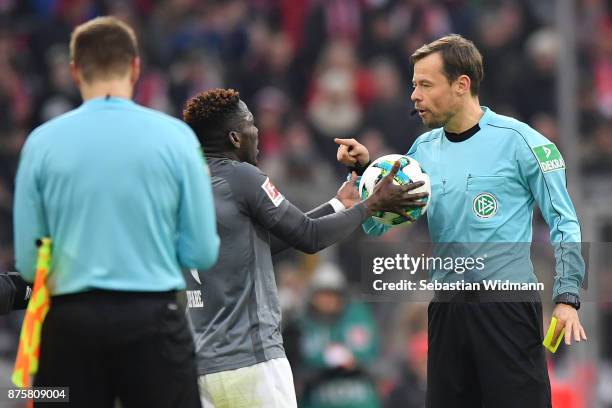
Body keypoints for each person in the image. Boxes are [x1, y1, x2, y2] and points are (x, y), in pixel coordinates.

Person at [336, 34, 587, 408]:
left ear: (461, 85)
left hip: (507, 309)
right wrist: (366, 175)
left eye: (425, 84)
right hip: (447, 311)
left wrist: (567, 297)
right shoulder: (421, 151)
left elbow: (564, 221)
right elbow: (380, 225)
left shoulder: (521, 142)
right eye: (413, 85)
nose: (414, 95)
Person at [13, 16, 219, 407]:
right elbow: (202, 252)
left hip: (68, 327)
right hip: (155, 323)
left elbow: (28, 263)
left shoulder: (40, 143)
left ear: (75, 71)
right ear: (135, 68)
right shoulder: (177, 138)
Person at [181, 87, 427, 408]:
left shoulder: (186, 186)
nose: (257, 131)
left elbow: (266, 245)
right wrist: (371, 205)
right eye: (250, 124)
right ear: (235, 138)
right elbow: (308, 237)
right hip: (253, 363)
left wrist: (339, 205)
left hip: (200, 368)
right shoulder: (243, 177)